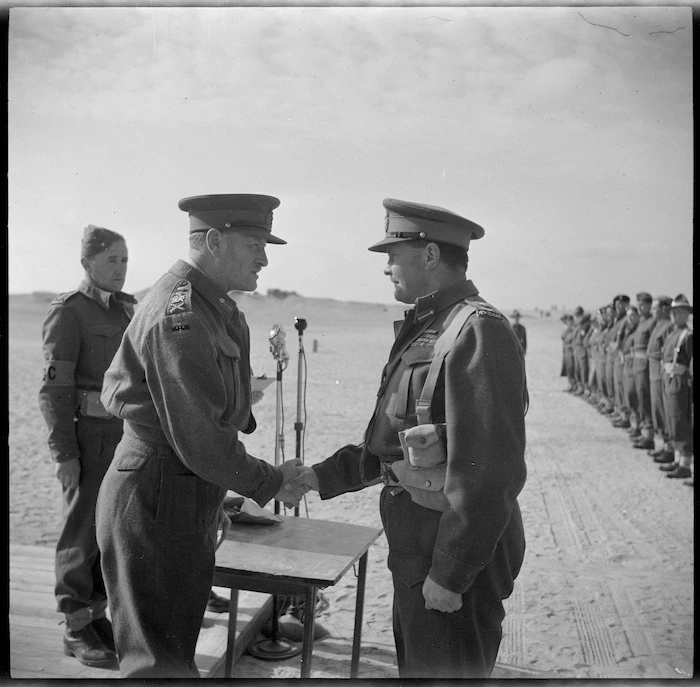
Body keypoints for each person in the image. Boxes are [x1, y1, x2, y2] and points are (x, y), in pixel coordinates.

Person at [295, 198, 528, 679]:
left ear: (429, 257)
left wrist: (450, 573)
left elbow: (490, 474)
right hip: (417, 553)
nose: (386, 268)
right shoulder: (427, 328)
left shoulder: (477, 332)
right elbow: (388, 444)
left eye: (393, 254)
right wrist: (315, 477)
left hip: (448, 560)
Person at [95, 194, 304, 678]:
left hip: (179, 491)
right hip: (158, 495)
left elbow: (211, 421)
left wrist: (220, 496)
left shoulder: (215, 309)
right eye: (254, 243)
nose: (265, 257)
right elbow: (203, 441)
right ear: (212, 240)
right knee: (158, 666)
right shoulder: (181, 315)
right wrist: (271, 482)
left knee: (171, 653)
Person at [38, 225, 134, 668]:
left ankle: (96, 619)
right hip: (88, 439)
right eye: (111, 259)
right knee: (79, 534)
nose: (120, 268)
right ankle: (74, 628)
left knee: (106, 532)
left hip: (124, 438)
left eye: (124, 260)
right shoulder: (69, 313)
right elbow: (54, 392)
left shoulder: (126, 311)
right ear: (86, 263)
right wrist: (65, 455)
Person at [657, 294, 693, 482]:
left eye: (677, 312)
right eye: (672, 312)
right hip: (668, 380)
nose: (673, 315)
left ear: (685, 314)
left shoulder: (688, 336)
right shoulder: (672, 333)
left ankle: (685, 464)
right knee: (671, 420)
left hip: (680, 382)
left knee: (680, 420)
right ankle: (678, 460)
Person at [645, 297, 675, 463]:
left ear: (664, 309)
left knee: (663, 410)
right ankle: (662, 445)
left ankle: (669, 448)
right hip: (653, 372)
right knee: (657, 408)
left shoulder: (668, 327)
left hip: (660, 373)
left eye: (655, 308)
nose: (652, 311)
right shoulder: (658, 326)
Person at [630, 292, 656, 450]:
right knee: (639, 396)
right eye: (639, 304)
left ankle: (649, 436)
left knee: (645, 398)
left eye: (643, 304)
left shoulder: (652, 322)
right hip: (637, 364)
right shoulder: (641, 322)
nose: (640, 307)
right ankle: (644, 431)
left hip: (645, 366)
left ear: (649, 305)